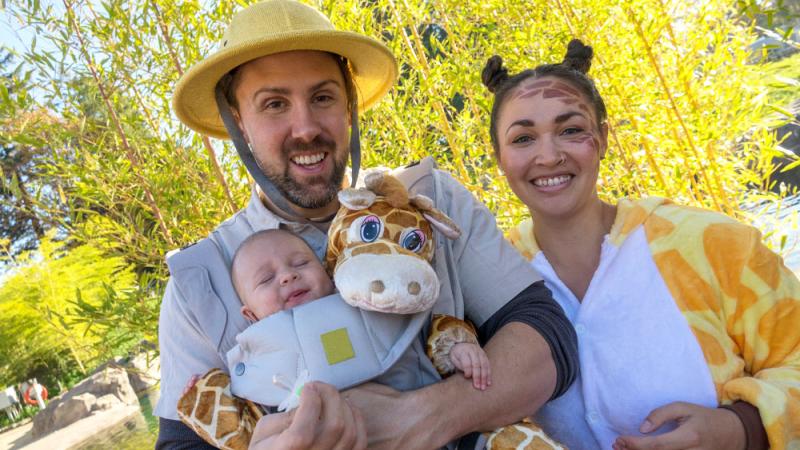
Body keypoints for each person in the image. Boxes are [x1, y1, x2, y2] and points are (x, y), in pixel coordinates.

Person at [155, 1, 579, 449]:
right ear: (238, 122)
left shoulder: (428, 199)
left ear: (350, 105)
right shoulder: (198, 283)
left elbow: (548, 338)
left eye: (323, 97)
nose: (305, 128)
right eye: (274, 104)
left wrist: (423, 416)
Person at [481, 39, 800, 450]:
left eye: (571, 130)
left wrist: (742, 427)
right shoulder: (494, 283)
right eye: (523, 139)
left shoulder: (711, 243)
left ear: (603, 138)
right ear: (499, 158)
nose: (548, 155)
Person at [230, 228, 491, 392]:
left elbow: (422, 331)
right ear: (251, 316)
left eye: (300, 263)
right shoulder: (258, 357)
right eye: (266, 279)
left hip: (432, 422)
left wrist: (456, 347)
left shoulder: (367, 301)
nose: (287, 275)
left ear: (328, 273)